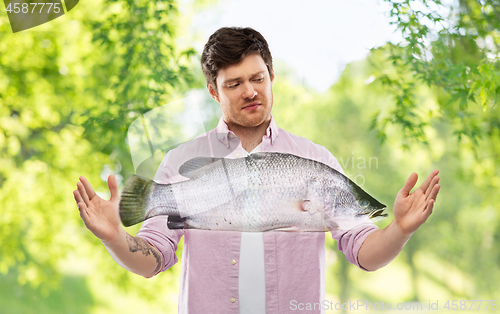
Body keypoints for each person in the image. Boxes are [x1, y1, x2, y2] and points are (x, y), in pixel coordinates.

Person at [73, 27, 441, 313]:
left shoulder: (316, 160)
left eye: (258, 78)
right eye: (234, 84)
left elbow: (364, 252)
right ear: (214, 92)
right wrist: (113, 236)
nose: (250, 91)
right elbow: (153, 258)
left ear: (272, 76)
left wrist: (400, 229)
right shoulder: (180, 160)